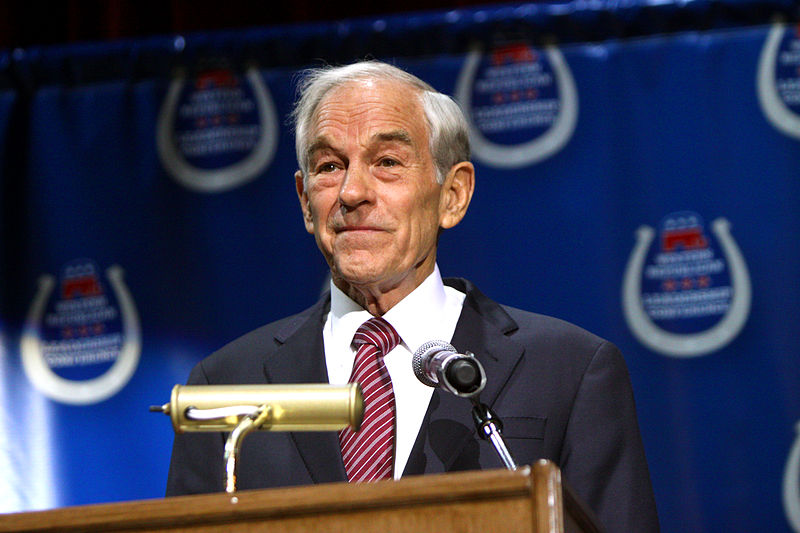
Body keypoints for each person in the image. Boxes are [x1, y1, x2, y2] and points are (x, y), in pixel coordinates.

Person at [166, 60, 659, 532]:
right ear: (305, 203)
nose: (353, 192)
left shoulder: (569, 371)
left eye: (387, 162)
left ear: (453, 195)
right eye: (330, 166)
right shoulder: (227, 384)